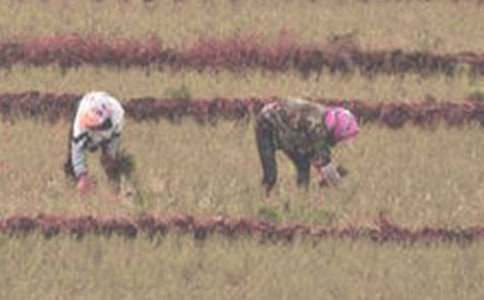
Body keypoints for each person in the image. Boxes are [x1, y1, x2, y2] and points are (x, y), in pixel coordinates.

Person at [255, 97, 359, 196]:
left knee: (303, 165)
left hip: (289, 129)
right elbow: (323, 160)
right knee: (270, 176)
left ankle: (302, 197)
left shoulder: (324, 119)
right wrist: (341, 189)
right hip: (267, 123)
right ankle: (262, 198)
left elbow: (316, 156)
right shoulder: (317, 128)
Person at [64, 91, 131, 194]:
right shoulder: (80, 120)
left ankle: (115, 185)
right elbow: (77, 149)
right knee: (72, 159)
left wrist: (109, 155)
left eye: (94, 127)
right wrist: (81, 175)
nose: (92, 129)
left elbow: (115, 139)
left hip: (109, 131)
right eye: (90, 126)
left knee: (109, 160)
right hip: (86, 105)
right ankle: (72, 182)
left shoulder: (118, 114)